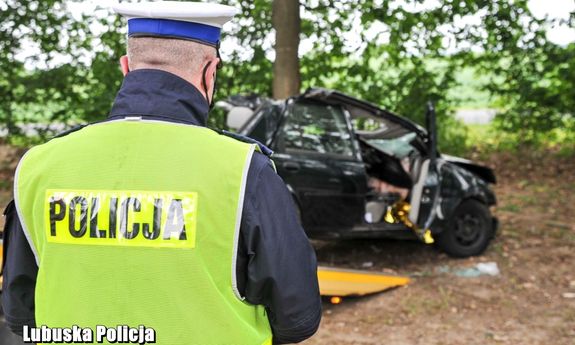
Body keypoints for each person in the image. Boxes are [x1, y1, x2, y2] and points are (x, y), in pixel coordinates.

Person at [1, 2, 321, 344]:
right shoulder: (243, 171)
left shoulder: (40, 166)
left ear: (126, 67)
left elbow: (20, 314)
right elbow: (297, 318)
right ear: (210, 72)